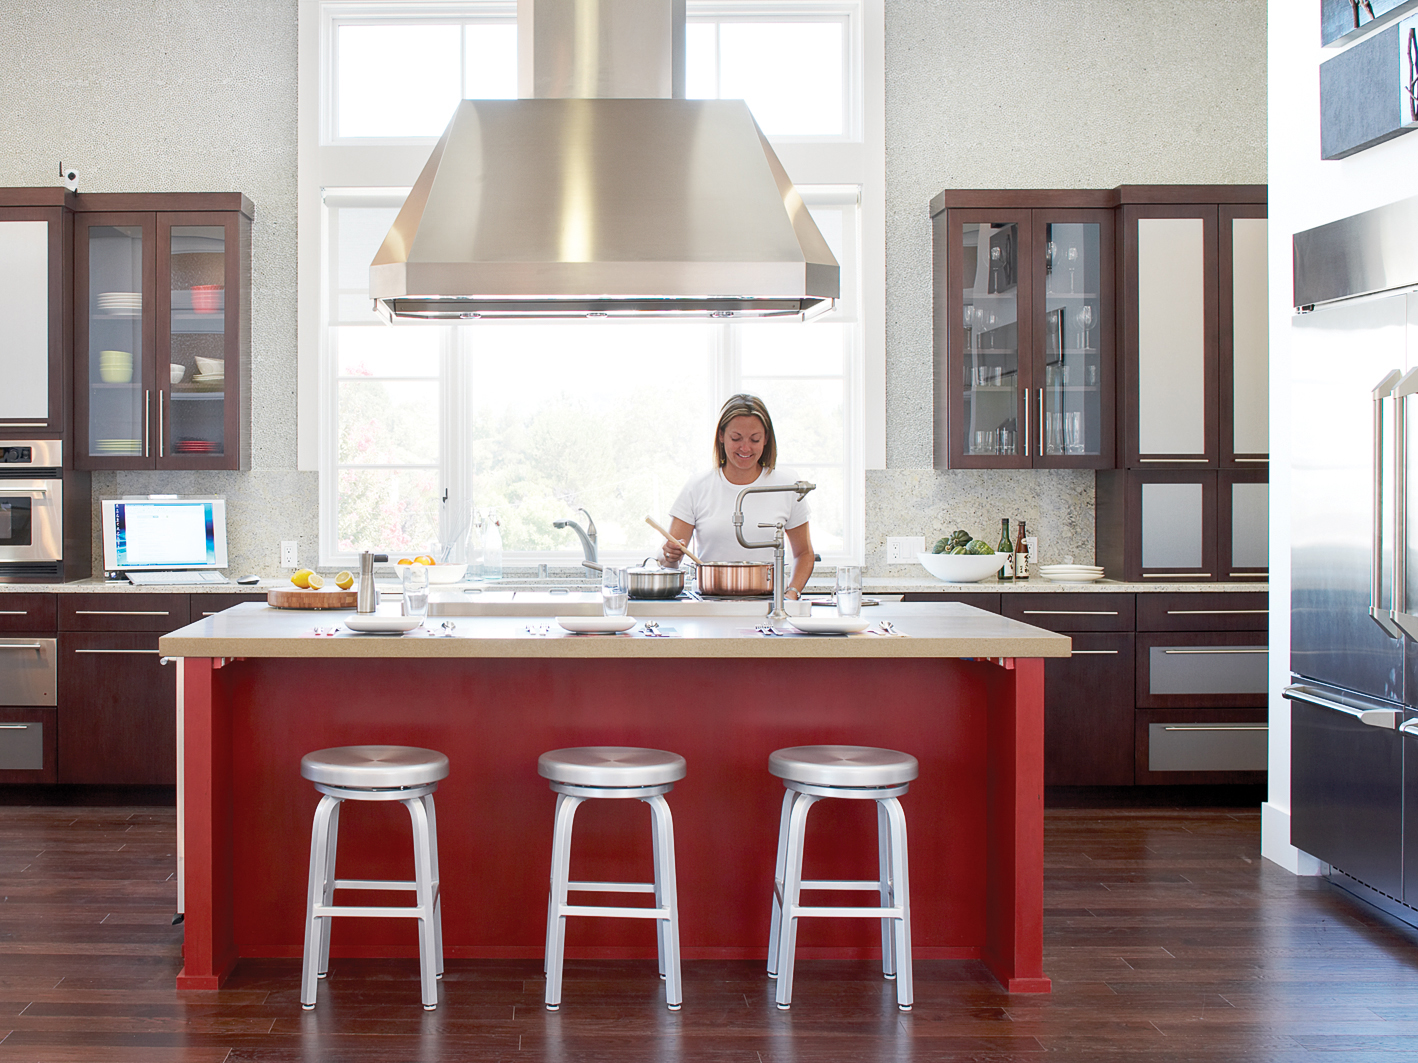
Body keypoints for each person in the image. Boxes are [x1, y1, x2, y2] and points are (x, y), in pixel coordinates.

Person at [661, 394, 815, 600]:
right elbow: (670, 561)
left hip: (770, 605)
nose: (745, 448)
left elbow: (804, 553)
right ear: (722, 436)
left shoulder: (786, 485)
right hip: (709, 606)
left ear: (766, 439)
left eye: (755, 439)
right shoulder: (698, 486)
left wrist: (792, 593)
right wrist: (670, 556)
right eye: (736, 438)